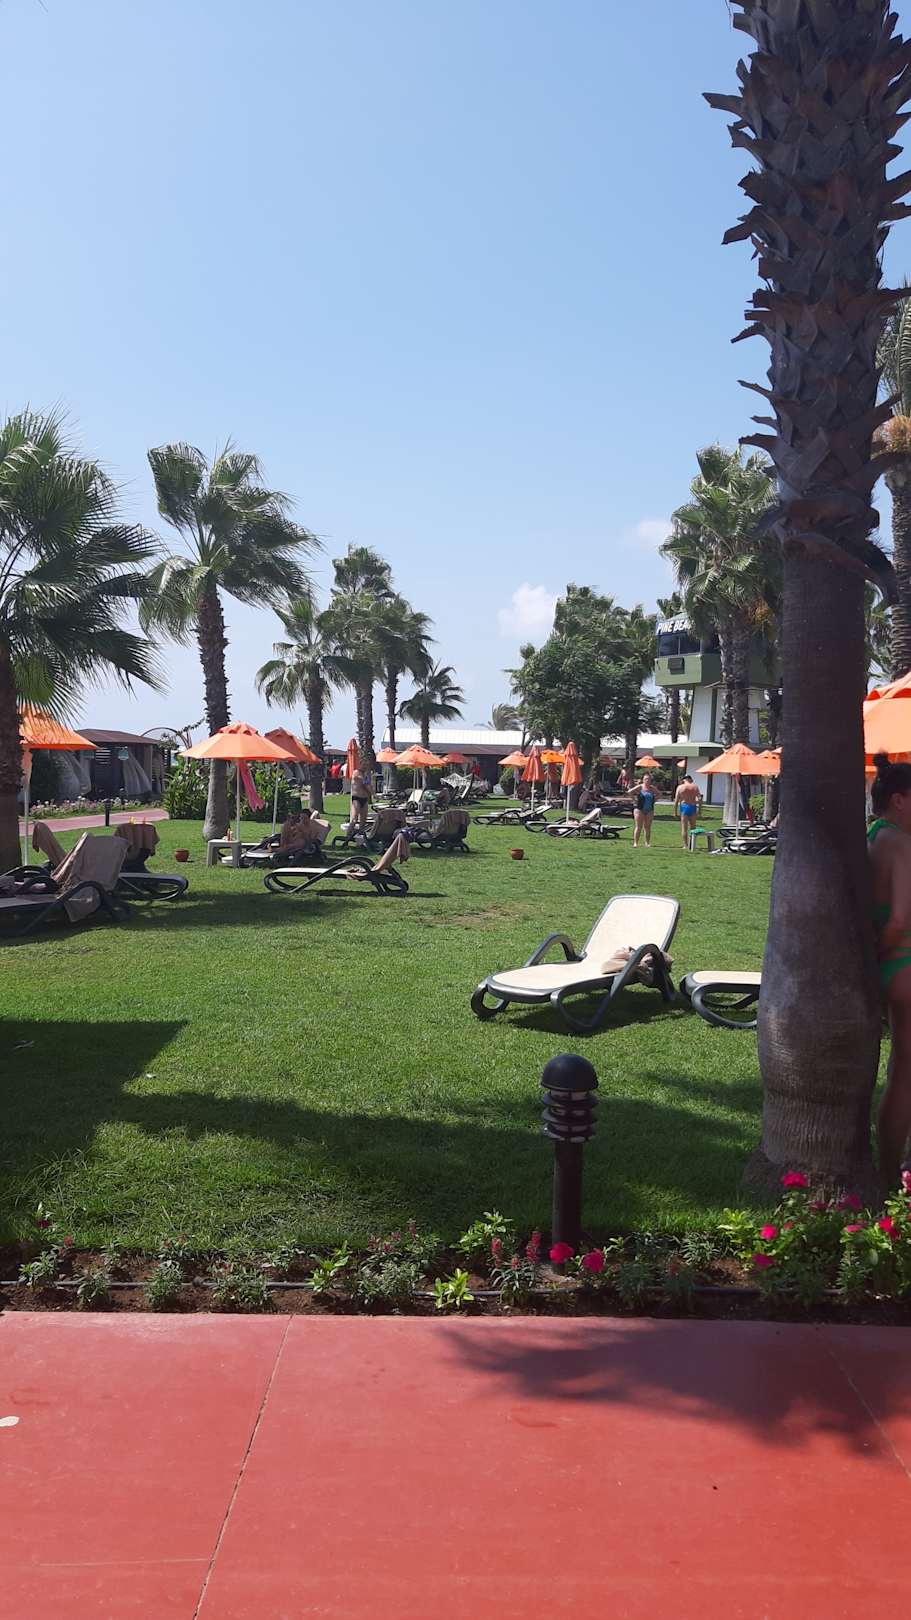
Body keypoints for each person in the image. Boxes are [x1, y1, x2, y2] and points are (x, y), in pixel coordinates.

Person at [868, 754, 911, 1190]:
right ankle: (892, 1176)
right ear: (899, 799)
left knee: (901, 1071)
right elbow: (899, 919)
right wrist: (879, 957)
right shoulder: (901, 842)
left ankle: (889, 1172)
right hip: (904, 963)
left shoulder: (875, 836)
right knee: (905, 1077)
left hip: (893, 969)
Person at [674, 774, 702, 848]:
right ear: (690, 779)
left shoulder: (680, 787)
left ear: (684, 780)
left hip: (684, 807)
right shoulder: (695, 787)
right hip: (692, 806)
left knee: (684, 827)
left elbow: (676, 800)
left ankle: (685, 845)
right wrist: (700, 810)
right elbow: (699, 799)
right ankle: (692, 844)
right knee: (693, 827)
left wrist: (675, 812)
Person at [632, 772, 656, 848]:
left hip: (649, 809)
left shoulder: (652, 788)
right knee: (638, 826)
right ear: (643, 780)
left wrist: (654, 800)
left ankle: (647, 843)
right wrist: (634, 800)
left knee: (647, 827)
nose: (647, 780)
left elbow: (659, 794)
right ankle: (635, 843)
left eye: (649, 779)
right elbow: (630, 792)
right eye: (646, 779)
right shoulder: (640, 787)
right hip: (639, 809)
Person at [350, 764, 372, 833]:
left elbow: (368, 786)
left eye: (366, 765)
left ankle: (360, 835)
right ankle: (348, 835)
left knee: (363, 820)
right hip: (357, 798)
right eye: (364, 765)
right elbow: (365, 783)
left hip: (364, 799)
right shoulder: (356, 772)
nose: (365, 767)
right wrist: (372, 792)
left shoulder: (365, 775)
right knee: (354, 819)